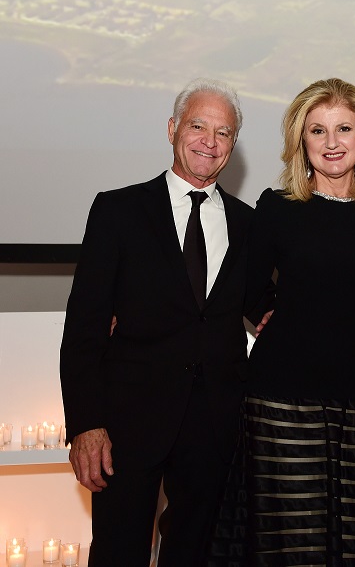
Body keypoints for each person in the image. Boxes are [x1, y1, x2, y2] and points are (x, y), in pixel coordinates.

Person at [60, 78, 274, 567]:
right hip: (126, 425)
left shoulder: (248, 224)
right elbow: (84, 329)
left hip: (214, 427)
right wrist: (86, 423)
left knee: (196, 555)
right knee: (118, 553)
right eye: (198, 126)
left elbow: (262, 303)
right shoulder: (118, 210)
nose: (209, 142)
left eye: (223, 133)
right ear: (173, 128)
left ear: (233, 144)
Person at [209, 78, 355, 566]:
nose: (331, 142)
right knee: (287, 543)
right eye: (317, 130)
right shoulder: (276, 208)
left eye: (343, 128)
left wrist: (351, 320)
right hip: (281, 400)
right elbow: (247, 286)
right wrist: (286, 315)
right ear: (301, 141)